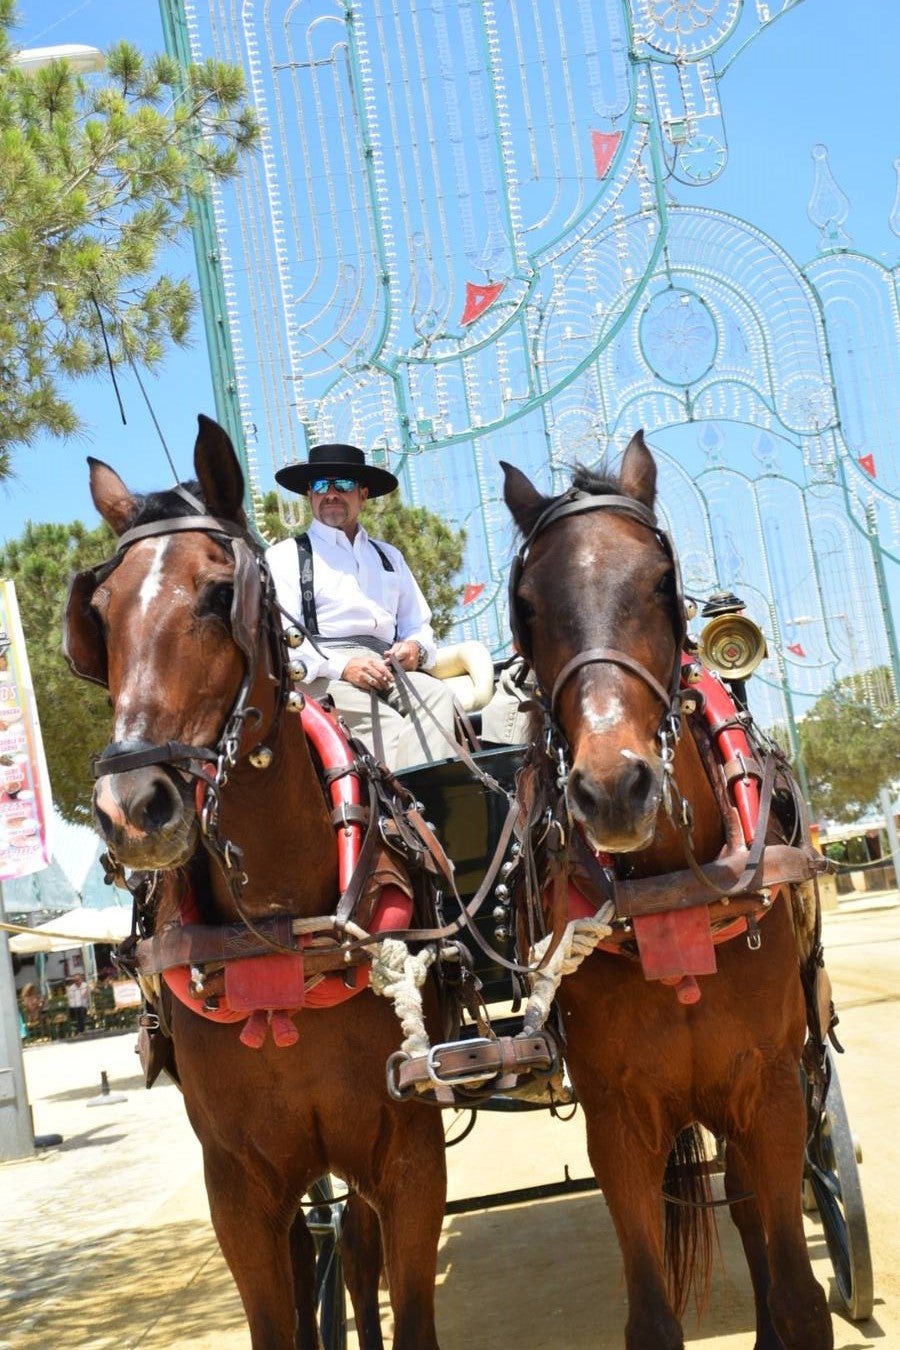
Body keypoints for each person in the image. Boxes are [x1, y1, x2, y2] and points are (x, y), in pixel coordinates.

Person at [266, 443, 458, 771]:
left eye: (341, 485)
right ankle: (419, 811)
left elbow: (418, 624)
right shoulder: (285, 556)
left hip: (388, 667)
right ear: (309, 495)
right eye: (319, 486)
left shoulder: (388, 556)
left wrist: (415, 649)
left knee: (439, 696)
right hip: (324, 673)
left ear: (363, 494)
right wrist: (344, 667)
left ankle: (422, 803)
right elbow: (285, 639)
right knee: (391, 728)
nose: (330, 494)